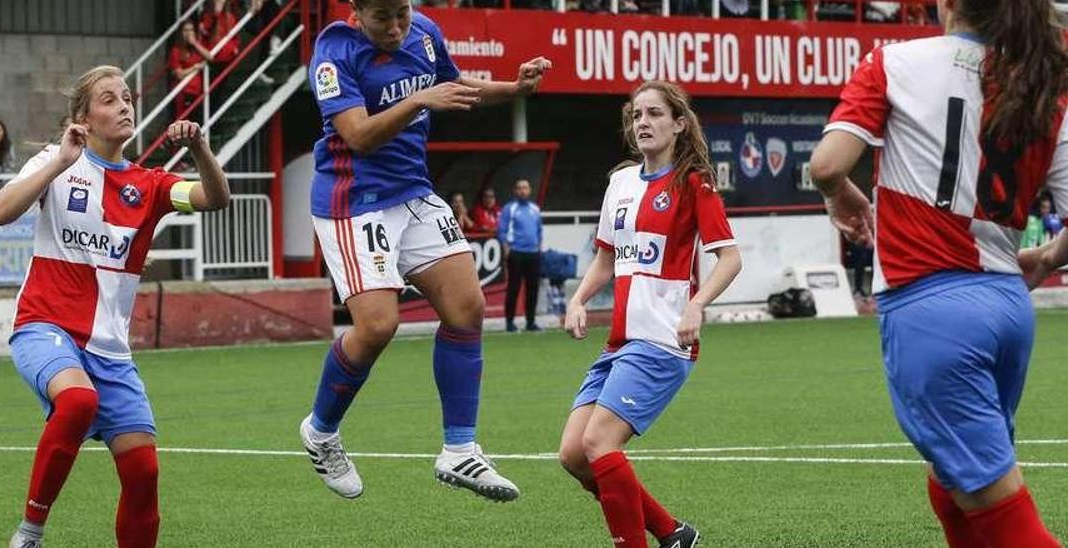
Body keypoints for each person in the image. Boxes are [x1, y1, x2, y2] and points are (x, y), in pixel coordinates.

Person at [809, 0, 1068, 544]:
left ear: (947, 5)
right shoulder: (1044, 89)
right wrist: (1043, 258)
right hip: (1007, 306)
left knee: (1006, 514)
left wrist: (840, 196)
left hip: (931, 309)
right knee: (952, 476)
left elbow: (828, 163)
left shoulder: (892, 63)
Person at [300, 0, 550, 502]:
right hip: (354, 200)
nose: (395, 28)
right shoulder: (333, 51)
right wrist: (419, 101)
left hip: (412, 192)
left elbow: (457, 92)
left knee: (467, 307)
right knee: (377, 326)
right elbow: (358, 136)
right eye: (382, 18)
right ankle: (321, 431)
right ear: (357, 11)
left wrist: (514, 88)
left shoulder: (426, 32)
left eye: (403, 15)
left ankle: (460, 450)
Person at [0, 65, 230, 548]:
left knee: (143, 471)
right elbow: (0, 212)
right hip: (45, 327)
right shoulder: (53, 162)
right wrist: (60, 162)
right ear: (83, 116)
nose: (124, 105)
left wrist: (200, 148)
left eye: (127, 97)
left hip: (111, 352)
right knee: (78, 400)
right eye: (109, 99)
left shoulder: (151, 186)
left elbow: (215, 198)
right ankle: (30, 531)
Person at [558, 80, 742, 548]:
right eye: (637, 115)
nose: (644, 122)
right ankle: (673, 533)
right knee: (574, 456)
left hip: (662, 339)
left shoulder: (693, 181)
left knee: (599, 443)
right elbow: (605, 259)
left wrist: (696, 306)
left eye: (656, 113)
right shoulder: (619, 182)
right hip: (619, 341)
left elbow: (730, 258)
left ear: (679, 124)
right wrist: (579, 300)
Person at [498, 178, 544, 332]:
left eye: (525, 187)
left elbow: (539, 231)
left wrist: (539, 248)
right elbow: (502, 230)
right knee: (514, 288)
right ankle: (510, 322)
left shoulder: (534, 209)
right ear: (515, 191)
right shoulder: (509, 209)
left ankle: (530, 322)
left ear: (529, 190)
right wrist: (506, 249)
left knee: (533, 289)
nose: (522, 190)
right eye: (519, 188)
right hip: (516, 253)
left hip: (533, 254)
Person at [169, 19, 211, 120]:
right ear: (181, 33)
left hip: (197, 92)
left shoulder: (196, 48)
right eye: (185, 30)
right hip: (184, 92)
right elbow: (178, 74)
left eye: (191, 30)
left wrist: (195, 43)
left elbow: (210, 57)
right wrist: (194, 68)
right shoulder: (176, 50)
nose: (188, 33)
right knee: (184, 122)